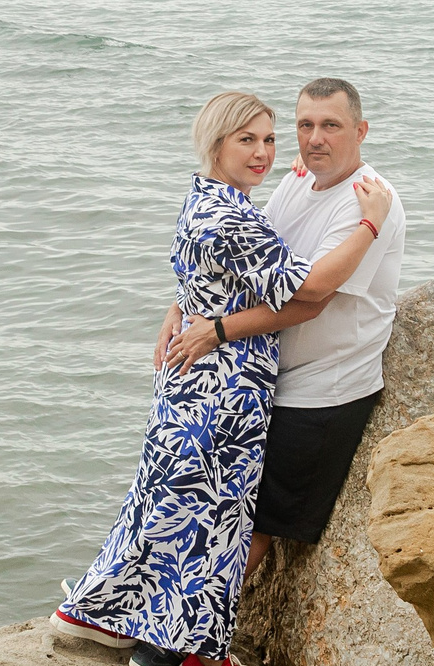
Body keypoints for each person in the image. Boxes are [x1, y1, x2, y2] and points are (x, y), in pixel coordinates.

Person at [52, 90, 393, 666]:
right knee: (222, 521)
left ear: (359, 130)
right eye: (251, 139)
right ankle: (196, 656)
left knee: (163, 500)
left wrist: (190, 305)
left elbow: (209, 270)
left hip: (199, 380)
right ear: (216, 143)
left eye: (269, 139)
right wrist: (369, 223)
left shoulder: (208, 199)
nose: (269, 151)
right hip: (227, 386)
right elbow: (308, 290)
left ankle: (95, 610)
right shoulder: (235, 214)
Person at [160, 77, 404, 581]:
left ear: (360, 130)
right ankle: (165, 635)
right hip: (262, 384)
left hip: (321, 392)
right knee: (212, 512)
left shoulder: (371, 201)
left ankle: (193, 654)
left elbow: (309, 298)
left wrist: (218, 330)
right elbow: (240, 262)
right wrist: (180, 306)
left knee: (257, 528)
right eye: (304, 126)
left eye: (331, 126)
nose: (315, 139)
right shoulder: (295, 179)